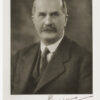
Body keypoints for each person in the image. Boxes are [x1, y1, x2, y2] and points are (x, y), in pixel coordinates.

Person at [11, 0, 92, 94]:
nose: (48, 22)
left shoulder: (85, 61)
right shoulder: (19, 57)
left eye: (54, 14)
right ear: (33, 20)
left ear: (65, 20)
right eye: (42, 15)